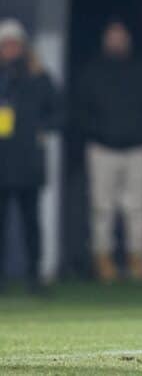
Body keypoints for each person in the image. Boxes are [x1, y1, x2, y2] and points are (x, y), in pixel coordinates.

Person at [77, 19, 142, 282]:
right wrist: (97, 132)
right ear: (105, 39)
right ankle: (103, 258)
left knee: (138, 208)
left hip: (138, 148)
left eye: (121, 36)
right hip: (102, 148)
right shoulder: (93, 71)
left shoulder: (141, 69)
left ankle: (136, 257)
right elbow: (81, 110)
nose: (117, 41)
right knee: (102, 207)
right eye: (112, 36)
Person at [0, 19, 61, 294]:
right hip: (2, 160)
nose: (10, 49)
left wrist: (41, 128)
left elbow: (60, 113)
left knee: (31, 223)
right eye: (6, 44)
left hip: (27, 163)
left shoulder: (39, 78)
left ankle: (35, 277)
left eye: (14, 44)